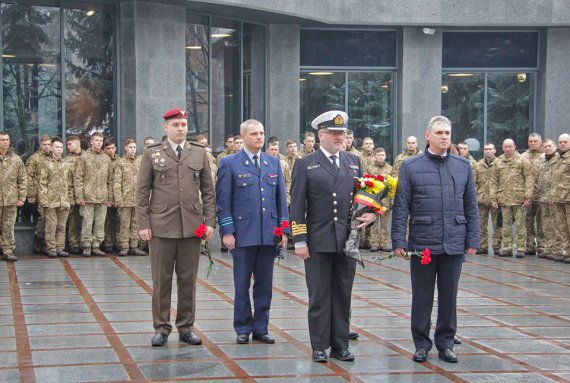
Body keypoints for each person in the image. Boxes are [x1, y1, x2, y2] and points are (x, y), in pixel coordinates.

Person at [391, 116, 479, 364]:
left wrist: (473, 238)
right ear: (427, 135)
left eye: (448, 133)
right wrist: (399, 240)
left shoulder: (463, 166)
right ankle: (421, 343)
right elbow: (401, 208)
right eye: (439, 132)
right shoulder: (411, 166)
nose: (445, 137)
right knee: (422, 295)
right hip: (423, 243)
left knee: (449, 296)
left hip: (453, 241)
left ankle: (446, 342)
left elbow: (471, 205)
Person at [290, 110, 376, 363]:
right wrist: (300, 240)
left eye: (343, 133)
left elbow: (363, 198)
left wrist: (371, 214)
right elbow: (296, 205)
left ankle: (340, 345)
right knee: (319, 295)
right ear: (321, 135)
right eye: (334, 133)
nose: (340, 137)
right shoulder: (306, 163)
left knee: (342, 294)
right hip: (318, 241)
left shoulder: (353, 161)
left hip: (346, 241)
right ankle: (319, 345)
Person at [136, 108, 216, 347]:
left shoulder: (199, 153)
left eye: (183, 124)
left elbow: (208, 191)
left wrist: (209, 222)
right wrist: (143, 224)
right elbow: (142, 191)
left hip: (191, 226)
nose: (180, 128)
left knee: (188, 280)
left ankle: (186, 327)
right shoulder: (152, 153)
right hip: (161, 226)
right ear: (166, 128)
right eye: (176, 125)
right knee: (161, 281)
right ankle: (161, 327)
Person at [216, 119, 289, 345]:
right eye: (255, 134)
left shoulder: (273, 163)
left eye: (262, 133)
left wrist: (283, 230)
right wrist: (227, 231)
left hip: (268, 233)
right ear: (243, 137)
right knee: (241, 285)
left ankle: (261, 328)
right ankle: (243, 327)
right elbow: (223, 201)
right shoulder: (229, 163)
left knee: (265, 285)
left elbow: (281, 202)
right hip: (243, 234)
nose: (260, 137)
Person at [490, 139, 533, 258]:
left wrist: (528, 197)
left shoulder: (522, 160)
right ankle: (507, 247)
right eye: (505, 147)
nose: (508, 149)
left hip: (519, 198)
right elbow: (493, 181)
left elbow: (529, 178)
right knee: (505, 224)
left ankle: (520, 248)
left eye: (510, 146)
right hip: (503, 198)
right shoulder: (498, 161)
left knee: (520, 224)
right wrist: (493, 198)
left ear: (515, 147)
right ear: (502, 148)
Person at [74, 132, 113, 257]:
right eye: (96, 140)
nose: (99, 143)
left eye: (101, 141)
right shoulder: (84, 157)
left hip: (102, 197)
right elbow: (78, 177)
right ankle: (86, 245)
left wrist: (110, 197)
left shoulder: (106, 158)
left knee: (100, 223)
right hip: (88, 196)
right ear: (91, 141)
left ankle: (96, 245)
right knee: (87, 222)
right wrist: (79, 196)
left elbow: (110, 180)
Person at [38, 137, 73, 258]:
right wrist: (43, 200)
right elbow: (42, 184)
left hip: (64, 201)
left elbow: (70, 183)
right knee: (51, 226)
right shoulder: (46, 164)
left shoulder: (66, 164)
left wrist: (70, 199)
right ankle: (51, 248)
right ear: (52, 148)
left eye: (61, 147)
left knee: (61, 226)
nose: (59, 149)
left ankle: (60, 247)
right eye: (57, 147)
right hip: (50, 201)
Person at [114, 139, 145, 256]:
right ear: (125, 148)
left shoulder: (140, 162)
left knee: (136, 224)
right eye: (130, 147)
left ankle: (134, 246)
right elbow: (117, 182)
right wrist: (119, 199)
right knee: (124, 224)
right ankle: (124, 246)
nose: (133, 149)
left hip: (137, 199)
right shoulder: (120, 163)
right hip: (125, 199)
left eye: (134, 147)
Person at [0, 131, 27, 262]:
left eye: (7, 140)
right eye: (2, 140)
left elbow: (22, 179)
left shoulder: (16, 159)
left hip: (10, 199)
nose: (5, 142)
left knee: (8, 226)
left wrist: (21, 197)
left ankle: (8, 250)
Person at [474, 143, 502, 255]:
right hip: (481, 198)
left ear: (495, 150)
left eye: (490, 149)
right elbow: (475, 182)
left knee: (497, 224)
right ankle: (483, 245)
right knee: (481, 224)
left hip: (495, 199)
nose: (488, 151)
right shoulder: (478, 164)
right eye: (486, 149)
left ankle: (496, 246)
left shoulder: (499, 163)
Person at [25, 134, 51, 254]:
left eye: (49, 144)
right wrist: (31, 196)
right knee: (43, 218)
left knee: (52, 220)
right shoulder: (34, 159)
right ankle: (39, 238)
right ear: (40, 145)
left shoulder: (53, 157)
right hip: (40, 194)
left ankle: (47, 244)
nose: (47, 147)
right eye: (44, 145)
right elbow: (29, 178)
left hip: (53, 194)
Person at [535, 139, 559, 259]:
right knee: (546, 226)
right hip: (543, 198)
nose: (547, 148)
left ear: (555, 146)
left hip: (556, 198)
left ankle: (558, 249)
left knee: (557, 225)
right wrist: (538, 195)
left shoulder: (559, 160)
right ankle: (549, 248)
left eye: (550, 146)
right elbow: (539, 180)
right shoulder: (542, 161)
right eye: (545, 146)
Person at [521, 133, 544, 255]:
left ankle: (542, 247)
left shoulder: (546, 156)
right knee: (528, 222)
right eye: (531, 141)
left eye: (535, 141)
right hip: (527, 196)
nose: (533, 143)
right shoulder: (523, 157)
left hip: (541, 195)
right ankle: (529, 246)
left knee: (542, 223)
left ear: (541, 142)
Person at [366, 147, 392, 252]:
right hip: (373, 199)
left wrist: (391, 200)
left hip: (385, 200)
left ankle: (384, 243)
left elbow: (392, 184)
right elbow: (365, 182)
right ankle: (374, 243)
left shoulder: (390, 169)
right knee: (373, 223)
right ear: (375, 156)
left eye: (382, 155)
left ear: (385, 156)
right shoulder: (370, 168)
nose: (380, 157)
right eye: (378, 155)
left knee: (384, 223)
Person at [549, 133, 570, 263]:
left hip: (568, 198)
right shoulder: (557, 158)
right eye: (560, 142)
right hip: (558, 198)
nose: (562, 144)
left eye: (565, 142)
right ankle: (566, 252)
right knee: (561, 227)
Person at [64, 135, 83, 254]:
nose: (67, 147)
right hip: (70, 195)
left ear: (77, 143)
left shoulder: (87, 157)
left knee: (84, 220)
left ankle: (83, 243)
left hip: (85, 196)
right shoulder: (66, 160)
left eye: (70, 144)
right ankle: (73, 244)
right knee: (72, 221)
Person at [103, 138, 120, 252]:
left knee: (119, 220)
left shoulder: (120, 161)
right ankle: (108, 243)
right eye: (108, 148)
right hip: (105, 194)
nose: (110, 150)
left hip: (118, 194)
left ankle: (118, 243)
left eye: (112, 148)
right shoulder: (102, 160)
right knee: (107, 221)